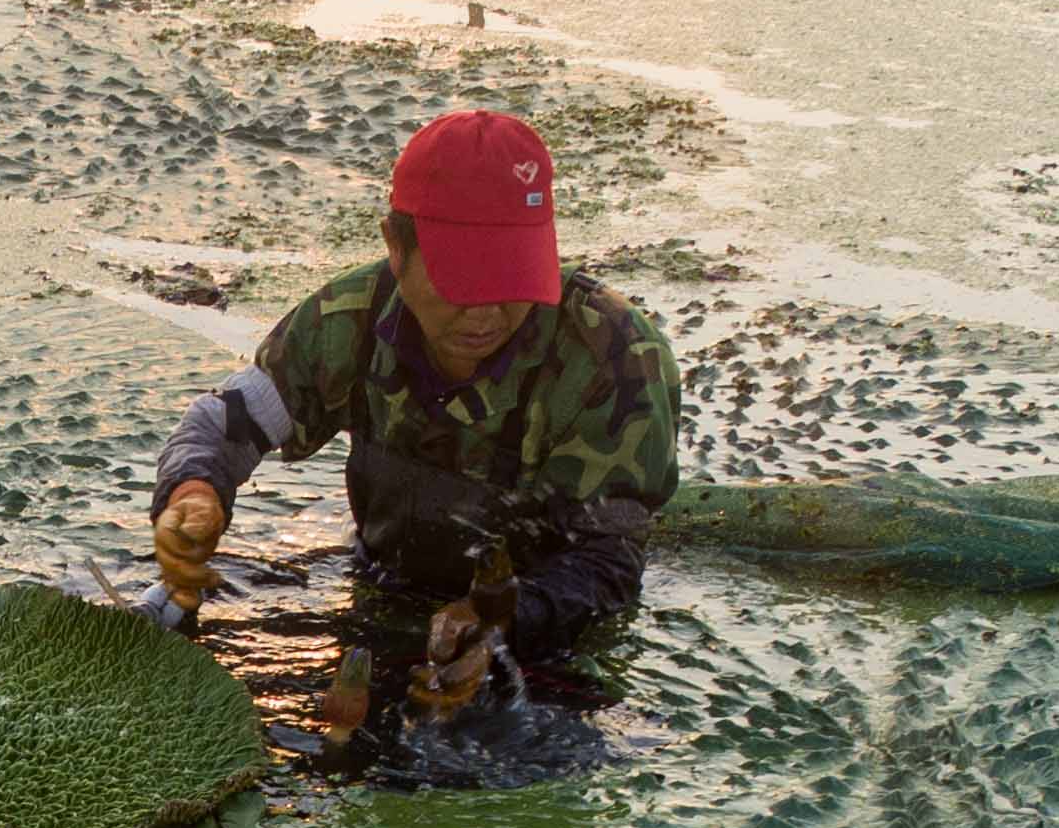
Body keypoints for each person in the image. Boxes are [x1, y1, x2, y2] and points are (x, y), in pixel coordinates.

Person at [147, 106, 680, 741]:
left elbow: (609, 559)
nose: (486, 313)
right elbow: (226, 420)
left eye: (509, 278)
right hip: (383, 588)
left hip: (545, 631)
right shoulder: (351, 315)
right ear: (396, 249)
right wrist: (195, 494)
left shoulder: (612, 354)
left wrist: (498, 622)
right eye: (462, 282)